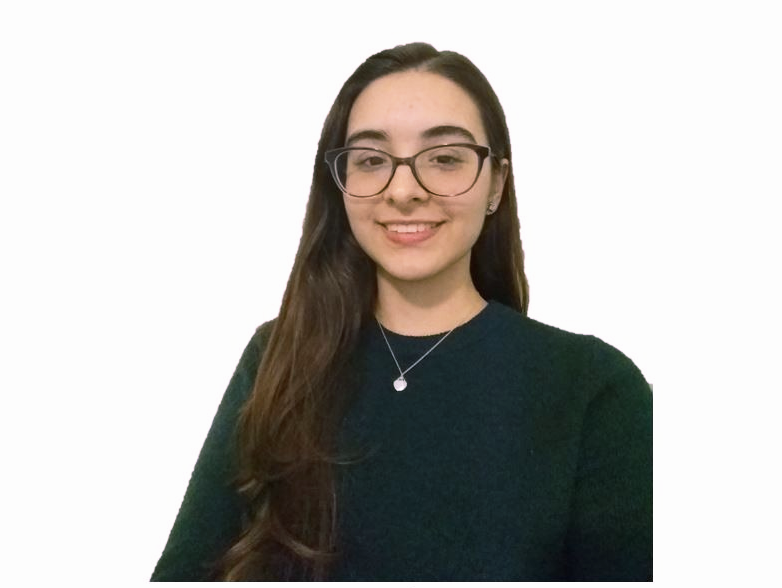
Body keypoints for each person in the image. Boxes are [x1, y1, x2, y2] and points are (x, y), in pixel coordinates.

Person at [150, 42, 652, 581]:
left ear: (496, 184)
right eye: (372, 161)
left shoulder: (592, 389)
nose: (404, 190)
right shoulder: (278, 358)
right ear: (341, 185)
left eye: (445, 158)